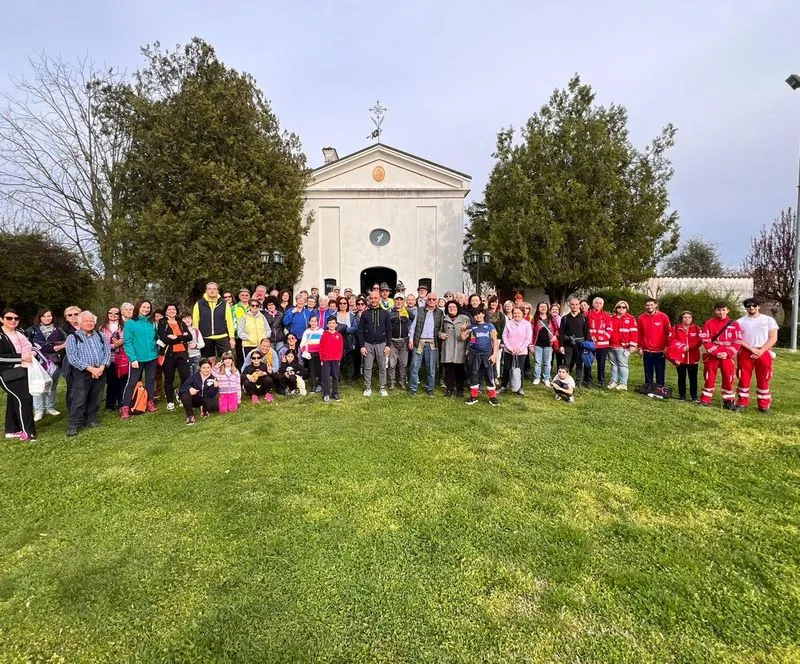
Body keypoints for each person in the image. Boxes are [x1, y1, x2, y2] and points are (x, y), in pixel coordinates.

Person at [64, 311, 111, 437]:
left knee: (96, 397)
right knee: (79, 398)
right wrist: (91, 369)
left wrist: (101, 367)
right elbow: (72, 358)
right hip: (82, 372)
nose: (90, 323)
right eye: (86, 321)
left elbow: (107, 352)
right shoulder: (72, 337)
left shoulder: (100, 335)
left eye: (92, 321)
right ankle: (74, 424)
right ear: (80, 323)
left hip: (100, 370)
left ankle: (91, 419)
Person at [736, 297, 779, 412]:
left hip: (764, 351)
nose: (751, 307)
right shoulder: (739, 322)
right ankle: (742, 403)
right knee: (743, 377)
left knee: (764, 378)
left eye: (754, 305)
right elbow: (738, 339)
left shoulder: (768, 320)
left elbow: (773, 337)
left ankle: (764, 405)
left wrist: (761, 351)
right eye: (748, 306)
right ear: (745, 308)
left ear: (758, 306)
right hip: (746, 351)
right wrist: (752, 349)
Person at [698, 301, 742, 410]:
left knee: (728, 377)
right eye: (718, 310)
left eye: (723, 310)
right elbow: (706, 339)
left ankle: (728, 400)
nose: (721, 312)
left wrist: (727, 353)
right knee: (709, 376)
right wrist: (716, 352)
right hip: (713, 355)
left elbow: (737, 341)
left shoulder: (734, 324)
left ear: (728, 310)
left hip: (727, 356)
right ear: (715, 311)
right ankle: (705, 399)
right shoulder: (709, 323)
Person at [0, 309, 36, 441]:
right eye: (9, 318)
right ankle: (28, 432)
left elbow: (32, 345)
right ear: (1, 319)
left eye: (16, 318)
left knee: (14, 399)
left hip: (24, 369)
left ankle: (11, 430)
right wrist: (20, 357)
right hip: (7, 372)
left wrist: (33, 353)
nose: (13, 321)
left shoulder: (21, 332)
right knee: (24, 399)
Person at [121, 300, 159, 420]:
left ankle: (150, 402)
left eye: (148, 307)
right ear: (138, 307)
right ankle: (125, 407)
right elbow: (127, 342)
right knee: (132, 382)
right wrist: (132, 358)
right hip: (137, 359)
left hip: (152, 357)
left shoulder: (152, 323)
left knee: (150, 381)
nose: (146, 309)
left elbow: (156, 338)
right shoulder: (130, 323)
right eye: (144, 307)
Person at [27, 308, 66, 420]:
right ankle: (38, 410)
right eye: (44, 316)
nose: (47, 318)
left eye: (49, 316)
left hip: (55, 362)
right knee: (38, 386)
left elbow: (64, 345)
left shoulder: (59, 331)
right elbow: (30, 345)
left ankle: (50, 407)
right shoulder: (32, 331)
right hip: (38, 363)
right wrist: (54, 347)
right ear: (39, 318)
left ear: (52, 317)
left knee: (52, 385)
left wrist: (57, 348)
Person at [157, 303, 192, 411]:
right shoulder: (162, 322)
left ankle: (182, 397)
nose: (172, 311)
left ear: (176, 311)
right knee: (169, 378)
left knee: (185, 376)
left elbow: (189, 337)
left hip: (182, 353)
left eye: (174, 309)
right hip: (169, 354)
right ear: (166, 311)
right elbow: (165, 339)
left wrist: (176, 337)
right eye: (169, 309)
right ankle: (170, 401)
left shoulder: (181, 322)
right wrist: (181, 338)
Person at [408, 291, 443, 396]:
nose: (431, 301)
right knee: (414, 366)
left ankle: (430, 389)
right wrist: (411, 339)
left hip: (432, 343)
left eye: (433, 299)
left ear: (436, 301)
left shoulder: (440, 312)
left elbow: (441, 328)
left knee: (431, 368)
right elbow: (413, 326)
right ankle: (413, 389)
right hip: (419, 341)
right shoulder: (419, 310)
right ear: (426, 300)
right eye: (429, 299)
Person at [358, 291, 392, 397]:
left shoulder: (385, 313)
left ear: (379, 299)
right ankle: (367, 387)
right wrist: (362, 346)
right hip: (368, 344)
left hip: (381, 344)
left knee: (382, 367)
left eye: (375, 298)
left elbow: (389, 330)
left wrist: (388, 345)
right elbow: (360, 331)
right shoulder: (365, 313)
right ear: (369, 300)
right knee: (367, 367)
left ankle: (382, 387)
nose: (373, 300)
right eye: (371, 298)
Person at [464, 307, 499, 405]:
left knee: (489, 375)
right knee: (474, 374)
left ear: (483, 314)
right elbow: (463, 337)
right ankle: (473, 396)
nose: (477, 316)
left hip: (487, 354)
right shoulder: (472, 327)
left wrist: (494, 355)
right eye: (475, 315)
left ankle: (492, 397)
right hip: (474, 354)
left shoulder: (490, 326)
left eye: (479, 314)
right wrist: (462, 331)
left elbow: (495, 341)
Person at [192, 282, 235, 358]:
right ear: (206, 291)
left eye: (214, 289)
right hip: (206, 337)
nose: (212, 291)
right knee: (209, 360)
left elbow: (229, 322)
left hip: (222, 336)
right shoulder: (199, 303)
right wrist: (196, 338)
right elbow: (195, 322)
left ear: (217, 291)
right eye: (210, 289)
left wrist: (232, 338)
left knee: (228, 359)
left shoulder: (224, 303)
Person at [667, 311, 702, 402]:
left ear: (692, 318)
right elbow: (671, 341)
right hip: (680, 358)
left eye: (689, 317)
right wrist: (680, 348)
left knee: (693, 377)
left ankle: (694, 396)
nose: (687, 319)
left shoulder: (697, 328)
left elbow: (699, 341)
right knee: (681, 377)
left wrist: (689, 346)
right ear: (681, 319)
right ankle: (682, 395)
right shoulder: (675, 328)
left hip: (693, 357)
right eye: (685, 317)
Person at [439, 300, 470, 397]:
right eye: (450, 307)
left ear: (458, 308)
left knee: (460, 370)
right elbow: (439, 331)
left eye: (454, 307)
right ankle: (449, 389)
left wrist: (468, 348)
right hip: (447, 348)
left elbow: (470, 334)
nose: (452, 309)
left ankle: (460, 390)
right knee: (449, 370)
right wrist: (441, 335)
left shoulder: (465, 318)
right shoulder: (444, 319)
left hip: (460, 348)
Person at [637, 298, 671, 387]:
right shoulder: (641, 318)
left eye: (651, 305)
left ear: (656, 305)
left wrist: (667, 346)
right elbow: (639, 334)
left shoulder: (663, 316)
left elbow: (669, 333)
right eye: (647, 305)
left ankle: (660, 389)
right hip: (647, 350)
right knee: (648, 371)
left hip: (660, 350)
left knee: (660, 371)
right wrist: (640, 347)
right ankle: (649, 387)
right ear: (645, 306)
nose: (649, 307)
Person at [98, 306, 125, 411]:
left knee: (122, 380)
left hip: (122, 357)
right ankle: (110, 404)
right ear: (107, 314)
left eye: (116, 313)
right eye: (110, 312)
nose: (113, 315)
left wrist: (121, 342)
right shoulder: (102, 328)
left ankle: (122, 402)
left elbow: (128, 339)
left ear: (119, 315)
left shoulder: (124, 326)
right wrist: (114, 345)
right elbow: (101, 343)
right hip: (109, 358)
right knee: (111, 381)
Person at [501, 306, 532, 395]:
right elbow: (504, 336)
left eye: (519, 313)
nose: (516, 315)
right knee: (507, 368)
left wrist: (520, 349)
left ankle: (520, 387)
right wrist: (510, 348)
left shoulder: (527, 324)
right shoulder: (509, 323)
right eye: (515, 313)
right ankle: (504, 386)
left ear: (523, 314)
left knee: (520, 369)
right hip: (509, 351)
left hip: (521, 352)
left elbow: (528, 338)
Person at [608, 300, 638, 391]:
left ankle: (623, 384)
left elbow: (634, 332)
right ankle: (613, 382)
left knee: (623, 365)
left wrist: (633, 345)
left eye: (623, 307)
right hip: (611, 345)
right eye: (619, 307)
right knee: (614, 365)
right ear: (616, 308)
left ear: (626, 308)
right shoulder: (611, 318)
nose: (621, 309)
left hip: (623, 346)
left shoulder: (631, 318)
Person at [179, 359, 219, 425]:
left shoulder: (213, 378)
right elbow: (183, 387)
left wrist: (215, 387)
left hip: (205, 399)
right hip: (194, 399)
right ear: (200, 368)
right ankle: (190, 416)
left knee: (215, 405)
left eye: (208, 367)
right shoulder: (194, 376)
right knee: (185, 395)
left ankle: (204, 409)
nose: (206, 370)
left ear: (211, 368)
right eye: (203, 368)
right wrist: (190, 388)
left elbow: (211, 395)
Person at [584, 297, 612, 388]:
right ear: (592, 304)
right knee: (588, 361)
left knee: (601, 363)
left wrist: (603, 337)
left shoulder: (606, 315)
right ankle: (587, 379)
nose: (598, 304)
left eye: (600, 303)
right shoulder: (586, 314)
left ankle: (601, 380)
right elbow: (583, 328)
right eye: (596, 302)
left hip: (602, 344)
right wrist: (588, 338)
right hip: (590, 343)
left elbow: (609, 329)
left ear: (602, 305)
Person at [559, 298, 588, 380]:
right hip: (567, 344)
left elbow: (586, 332)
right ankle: (565, 379)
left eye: (576, 304)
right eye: (572, 304)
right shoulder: (565, 318)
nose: (574, 306)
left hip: (580, 344)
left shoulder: (583, 318)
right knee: (567, 362)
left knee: (579, 362)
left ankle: (579, 381)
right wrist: (561, 345)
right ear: (569, 305)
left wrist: (586, 345)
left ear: (579, 306)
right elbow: (561, 332)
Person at [531, 302, 559, 386]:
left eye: (545, 307)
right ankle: (537, 377)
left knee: (547, 362)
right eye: (541, 307)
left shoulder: (551, 318)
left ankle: (546, 378)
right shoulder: (535, 318)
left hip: (549, 343)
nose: (543, 308)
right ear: (538, 308)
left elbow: (557, 329)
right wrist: (531, 344)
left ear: (547, 308)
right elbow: (531, 331)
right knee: (537, 362)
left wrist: (555, 336)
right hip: (537, 343)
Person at [60, 305, 82, 411]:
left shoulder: (87, 327)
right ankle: (72, 410)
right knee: (72, 387)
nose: (73, 316)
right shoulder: (62, 331)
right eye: (70, 315)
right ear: (66, 318)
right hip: (70, 361)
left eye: (76, 314)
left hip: (86, 360)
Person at [388, 294, 411, 390]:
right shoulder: (389, 312)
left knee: (403, 363)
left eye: (401, 300)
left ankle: (402, 382)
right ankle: (391, 382)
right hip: (392, 341)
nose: (399, 302)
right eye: (397, 300)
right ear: (394, 301)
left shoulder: (407, 312)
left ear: (403, 301)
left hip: (404, 341)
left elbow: (414, 322)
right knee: (391, 363)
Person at [333, 296, 358, 383]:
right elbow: (330, 327)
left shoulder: (351, 315)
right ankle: (337, 378)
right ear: (338, 304)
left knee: (349, 360)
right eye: (340, 303)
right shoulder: (334, 315)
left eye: (344, 303)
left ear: (347, 304)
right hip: (336, 340)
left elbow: (355, 328)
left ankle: (349, 378)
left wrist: (345, 329)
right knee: (337, 360)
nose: (342, 305)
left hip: (348, 339)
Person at [319, 314, 344, 401]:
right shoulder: (324, 335)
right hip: (326, 359)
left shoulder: (339, 336)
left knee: (336, 377)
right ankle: (326, 393)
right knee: (326, 377)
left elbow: (340, 348)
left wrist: (339, 358)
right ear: (327, 324)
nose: (332, 325)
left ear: (336, 324)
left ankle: (335, 392)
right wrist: (321, 359)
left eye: (333, 323)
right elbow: (321, 348)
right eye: (330, 323)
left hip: (336, 359)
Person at [300, 314, 324, 393]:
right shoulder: (306, 332)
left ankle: (320, 384)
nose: (313, 323)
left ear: (317, 322)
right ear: (309, 322)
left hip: (319, 353)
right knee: (312, 370)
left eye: (315, 321)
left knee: (320, 369)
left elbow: (324, 343)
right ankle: (314, 385)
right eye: (312, 321)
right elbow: (302, 344)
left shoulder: (321, 331)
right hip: (310, 354)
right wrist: (305, 352)